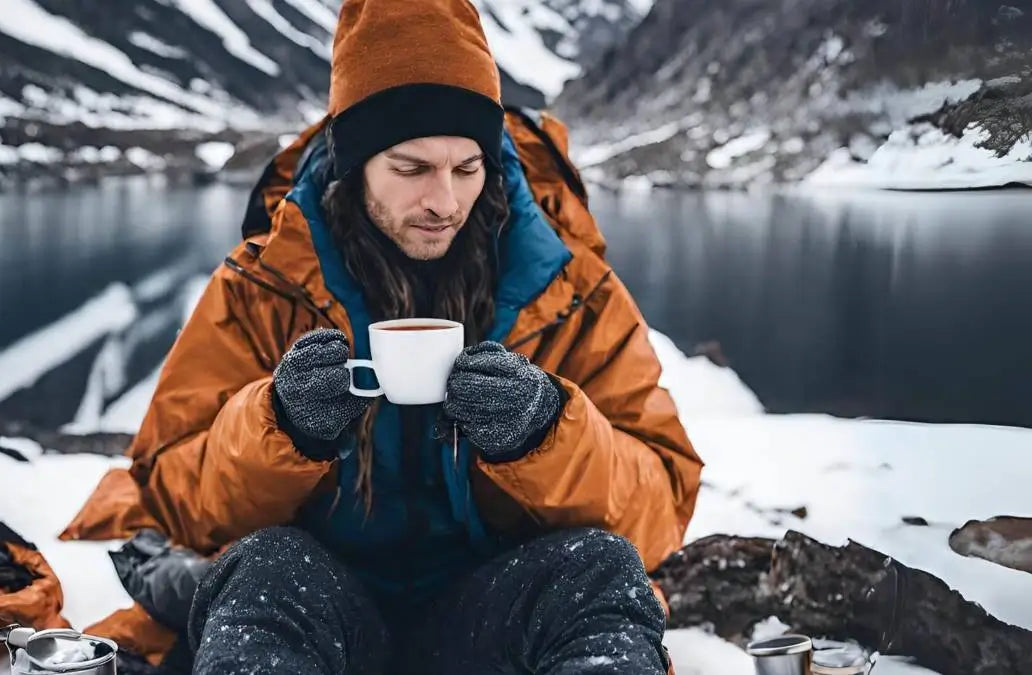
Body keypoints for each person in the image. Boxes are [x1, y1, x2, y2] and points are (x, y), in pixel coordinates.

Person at [110, 0, 704, 672]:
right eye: (412, 167)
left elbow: (660, 509)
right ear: (355, 161)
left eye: (467, 167)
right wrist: (279, 427)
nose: (445, 201)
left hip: (490, 612)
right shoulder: (264, 285)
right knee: (266, 569)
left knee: (598, 569)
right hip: (323, 610)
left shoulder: (571, 290)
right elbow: (170, 500)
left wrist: (545, 432)